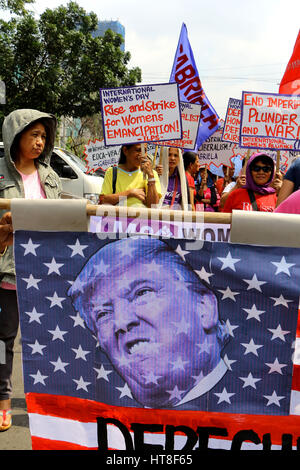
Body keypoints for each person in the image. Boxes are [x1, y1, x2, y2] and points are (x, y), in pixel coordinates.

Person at [68, 237, 229, 409]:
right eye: (103, 313)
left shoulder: (256, 405)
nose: (121, 321)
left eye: (142, 293)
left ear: (205, 307)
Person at [0, 108, 62, 431]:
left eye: (43, 136)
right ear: (16, 136)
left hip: (44, 274)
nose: (40, 142)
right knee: (3, 341)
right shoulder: (0, 175)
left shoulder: (50, 177)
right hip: (8, 273)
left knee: (49, 340)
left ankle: (49, 404)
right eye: (33, 135)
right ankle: (3, 401)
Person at [99, 143, 161, 208]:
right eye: (138, 150)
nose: (142, 155)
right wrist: (130, 193)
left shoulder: (151, 174)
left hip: (142, 218)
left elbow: (153, 205)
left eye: (144, 151)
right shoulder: (112, 172)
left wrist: (151, 176)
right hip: (117, 217)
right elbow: (103, 200)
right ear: (125, 150)